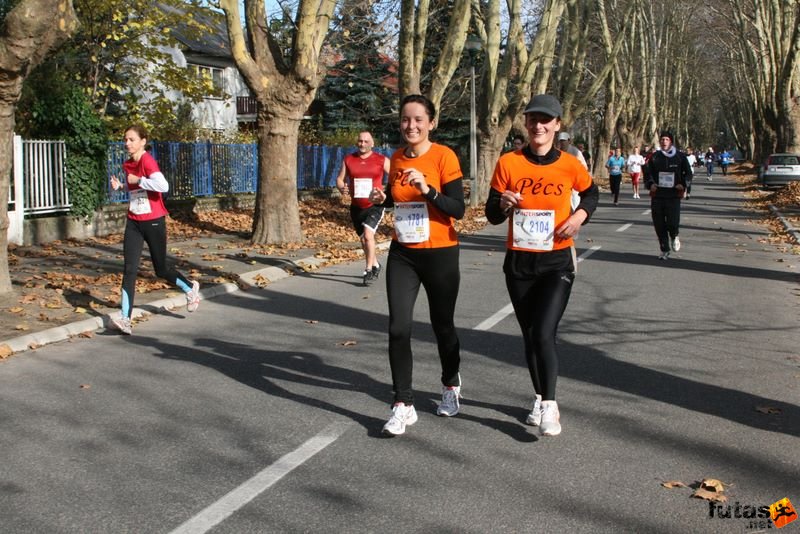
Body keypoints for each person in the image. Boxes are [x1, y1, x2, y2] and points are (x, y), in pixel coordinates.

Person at [484, 94, 599, 437]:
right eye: (533, 119)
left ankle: (549, 405)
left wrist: (579, 215)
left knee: (544, 331)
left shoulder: (569, 164)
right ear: (526, 122)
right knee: (530, 335)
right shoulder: (509, 163)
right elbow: (491, 213)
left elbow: (591, 194)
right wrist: (503, 203)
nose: (538, 125)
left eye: (545, 120)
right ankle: (539, 396)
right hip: (519, 263)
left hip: (556, 262)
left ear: (557, 125)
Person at [368, 94, 466, 436]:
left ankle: (451, 383)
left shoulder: (444, 156)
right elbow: (399, 196)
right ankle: (403, 403)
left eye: (418, 120)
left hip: (440, 252)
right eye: (406, 120)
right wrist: (387, 197)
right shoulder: (394, 158)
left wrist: (428, 190)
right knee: (398, 327)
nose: (411, 126)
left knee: (443, 326)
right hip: (404, 252)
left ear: (431, 123)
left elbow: (458, 209)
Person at [109, 125, 200, 335]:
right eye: (125, 140)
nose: (127, 143)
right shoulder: (128, 163)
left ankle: (189, 288)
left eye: (131, 139)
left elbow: (163, 186)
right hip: (134, 221)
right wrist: (122, 186)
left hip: (154, 221)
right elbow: (136, 188)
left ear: (143, 141)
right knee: (129, 269)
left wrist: (139, 179)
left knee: (161, 269)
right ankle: (125, 319)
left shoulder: (147, 161)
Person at [335, 131, 390, 286]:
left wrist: (385, 194)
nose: (363, 144)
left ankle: (368, 270)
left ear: (372, 144)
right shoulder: (349, 159)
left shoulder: (381, 159)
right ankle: (376, 264)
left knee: (367, 235)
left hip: (375, 205)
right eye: (360, 141)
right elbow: (340, 179)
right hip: (356, 206)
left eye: (366, 141)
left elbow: (395, 176)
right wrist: (341, 188)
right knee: (363, 239)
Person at [643, 131, 692, 260]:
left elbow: (688, 173)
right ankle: (664, 249)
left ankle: (674, 235)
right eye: (662, 139)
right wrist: (650, 184)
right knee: (659, 224)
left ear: (671, 142)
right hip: (658, 195)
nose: (664, 142)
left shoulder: (680, 157)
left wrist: (683, 184)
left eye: (667, 139)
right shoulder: (655, 157)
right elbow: (647, 173)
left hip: (673, 195)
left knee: (672, 222)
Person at [558, 132, 588, 211]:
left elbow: (584, 166)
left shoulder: (576, 152)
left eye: (564, 140)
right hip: (562, 179)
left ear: (569, 141)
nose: (562, 143)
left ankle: (575, 212)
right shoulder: (558, 152)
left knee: (574, 196)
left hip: (574, 178)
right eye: (561, 141)